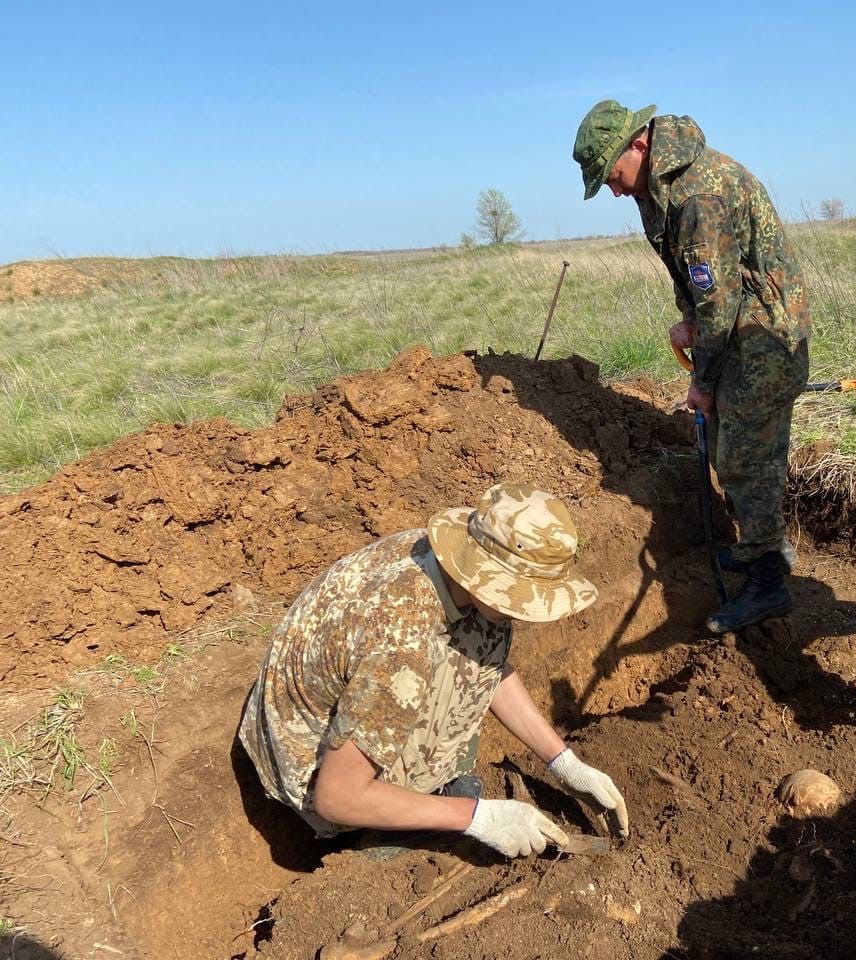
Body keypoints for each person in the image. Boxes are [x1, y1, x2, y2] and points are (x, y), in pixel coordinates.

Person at [237, 483, 628, 858]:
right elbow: (336, 797)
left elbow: (487, 665)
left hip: (337, 690)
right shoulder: (401, 644)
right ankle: (396, 823)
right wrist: (477, 817)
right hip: (308, 764)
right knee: (417, 691)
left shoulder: (448, 563)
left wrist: (564, 763)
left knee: (484, 633)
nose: (522, 609)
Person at [573, 99, 812, 635]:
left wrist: (701, 383)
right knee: (734, 448)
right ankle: (757, 548)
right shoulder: (656, 187)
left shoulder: (697, 192)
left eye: (611, 175)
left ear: (638, 145)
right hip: (734, 330)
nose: (612, 189)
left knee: (746, 458)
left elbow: (721, 301)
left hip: (762, 337)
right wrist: (688, 320)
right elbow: (697, 284)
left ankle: (769, 583)